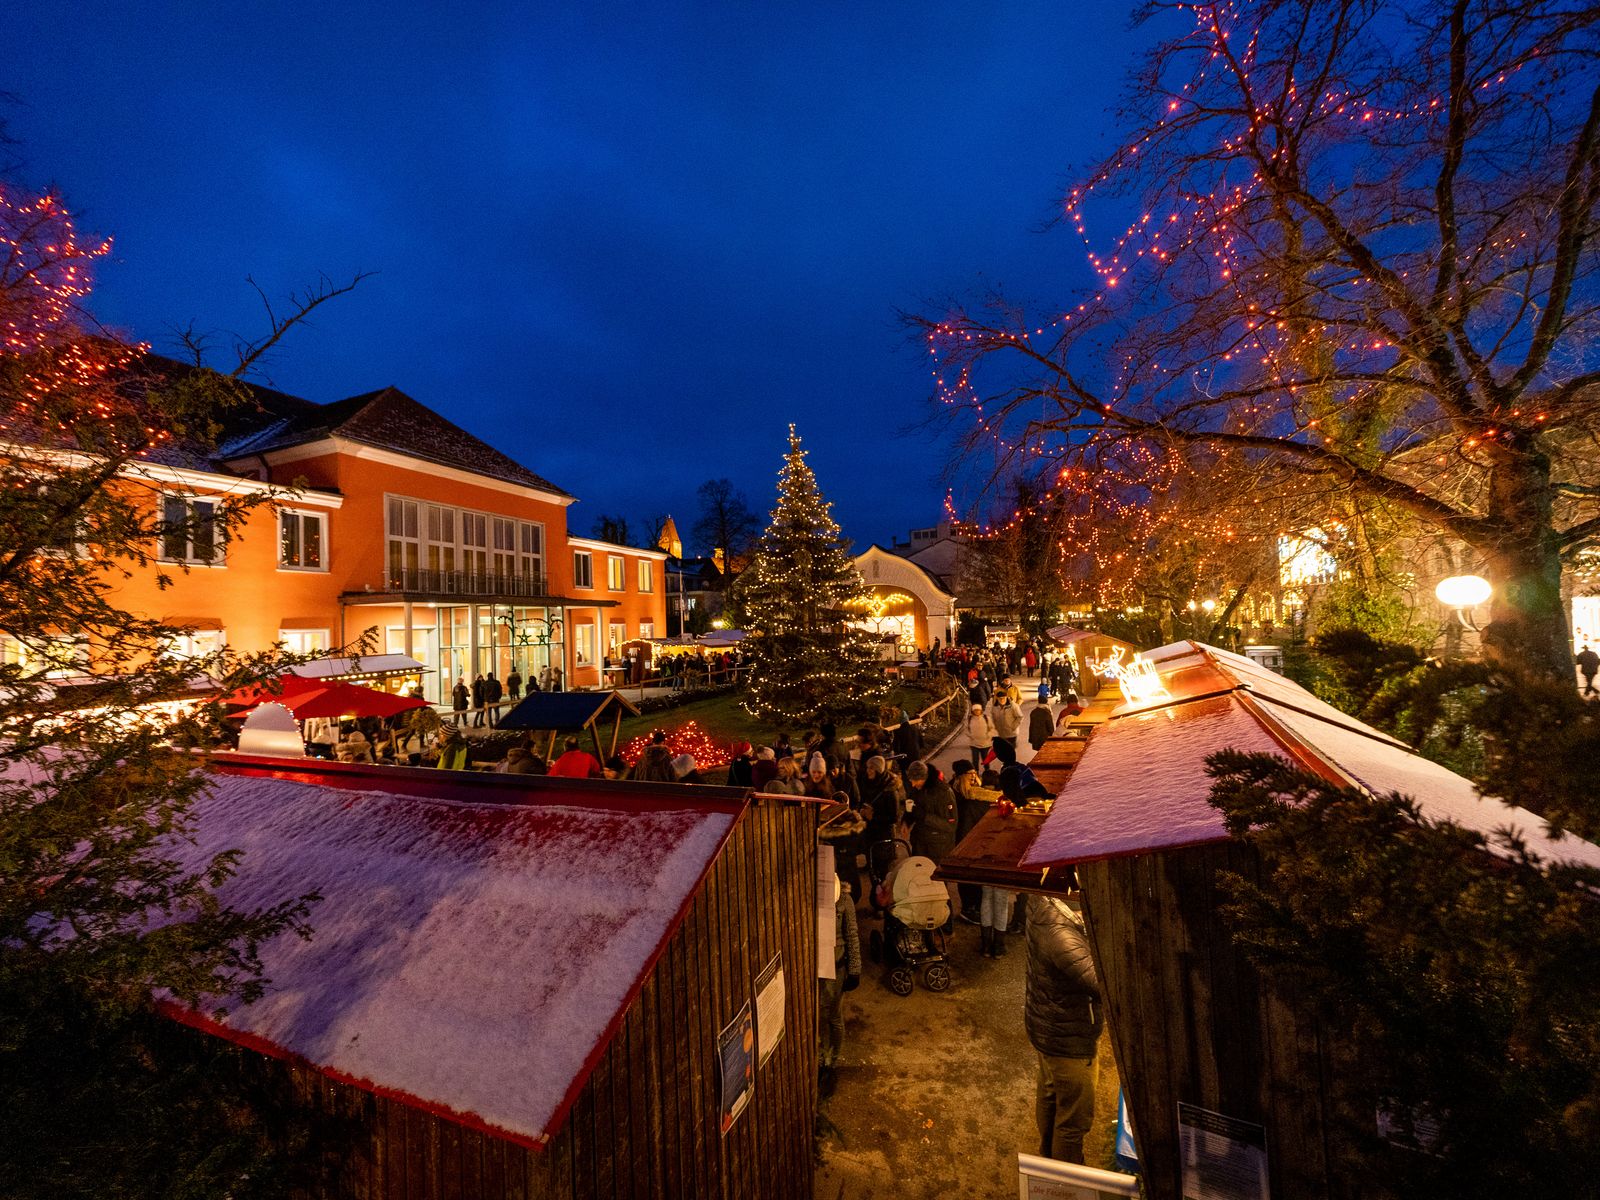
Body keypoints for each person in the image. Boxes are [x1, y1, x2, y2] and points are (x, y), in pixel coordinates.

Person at [1026, 895, 1104, 1164]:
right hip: (1070, 1040)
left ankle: (1047, 1159)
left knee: (1050, 1093)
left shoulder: (1041, 906)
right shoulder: (1063, 937)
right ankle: (1067, 1179)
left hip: (1048, 1028)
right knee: (1073, 1121)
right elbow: (1101, 983)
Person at [817, 876, 861, 1098]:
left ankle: (831, 1063)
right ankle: (818, 1059)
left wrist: (854, 969)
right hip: (815, 969)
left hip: (837, 967)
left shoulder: (843, 899)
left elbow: (852, 934)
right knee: (816, 1017)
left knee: (834, 1016)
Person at [963, 702, 994, 770]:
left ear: (981, 710)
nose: (977, 711)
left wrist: (988, 735)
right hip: (974, 744)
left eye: (978, 710)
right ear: (972, 711)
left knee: (985, 760)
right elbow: (966, 729)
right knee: (975, 761)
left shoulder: (986, 718)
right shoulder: (969, 719)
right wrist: (971, 735)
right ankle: (975, 773)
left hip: (985, 744)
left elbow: (992, 728)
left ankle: (987, 772)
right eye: (975, 710)